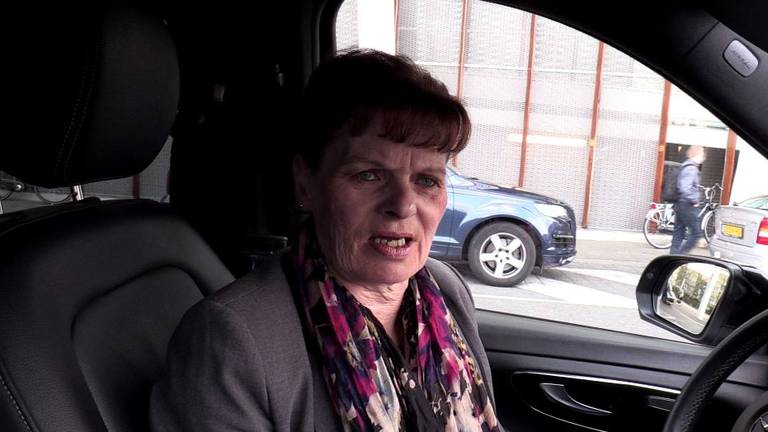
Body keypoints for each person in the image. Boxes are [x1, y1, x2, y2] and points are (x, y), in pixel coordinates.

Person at [150, 49, 502, 431]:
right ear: (306, 182)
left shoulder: (445, 288)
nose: (403, 205)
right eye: (369, 175)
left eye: (427, 180)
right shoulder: (231, 339)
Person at [670, 145, 706, 255]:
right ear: (697, 155)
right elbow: (684, 187)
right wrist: (694, 200)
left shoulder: (685, 166)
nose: (703, 158)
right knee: (696, 234)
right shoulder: (691, 168)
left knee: (678, 234)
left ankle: (673, 258)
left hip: (680, 204)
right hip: (687, 205)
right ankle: (681, 256)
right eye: (702, 155)